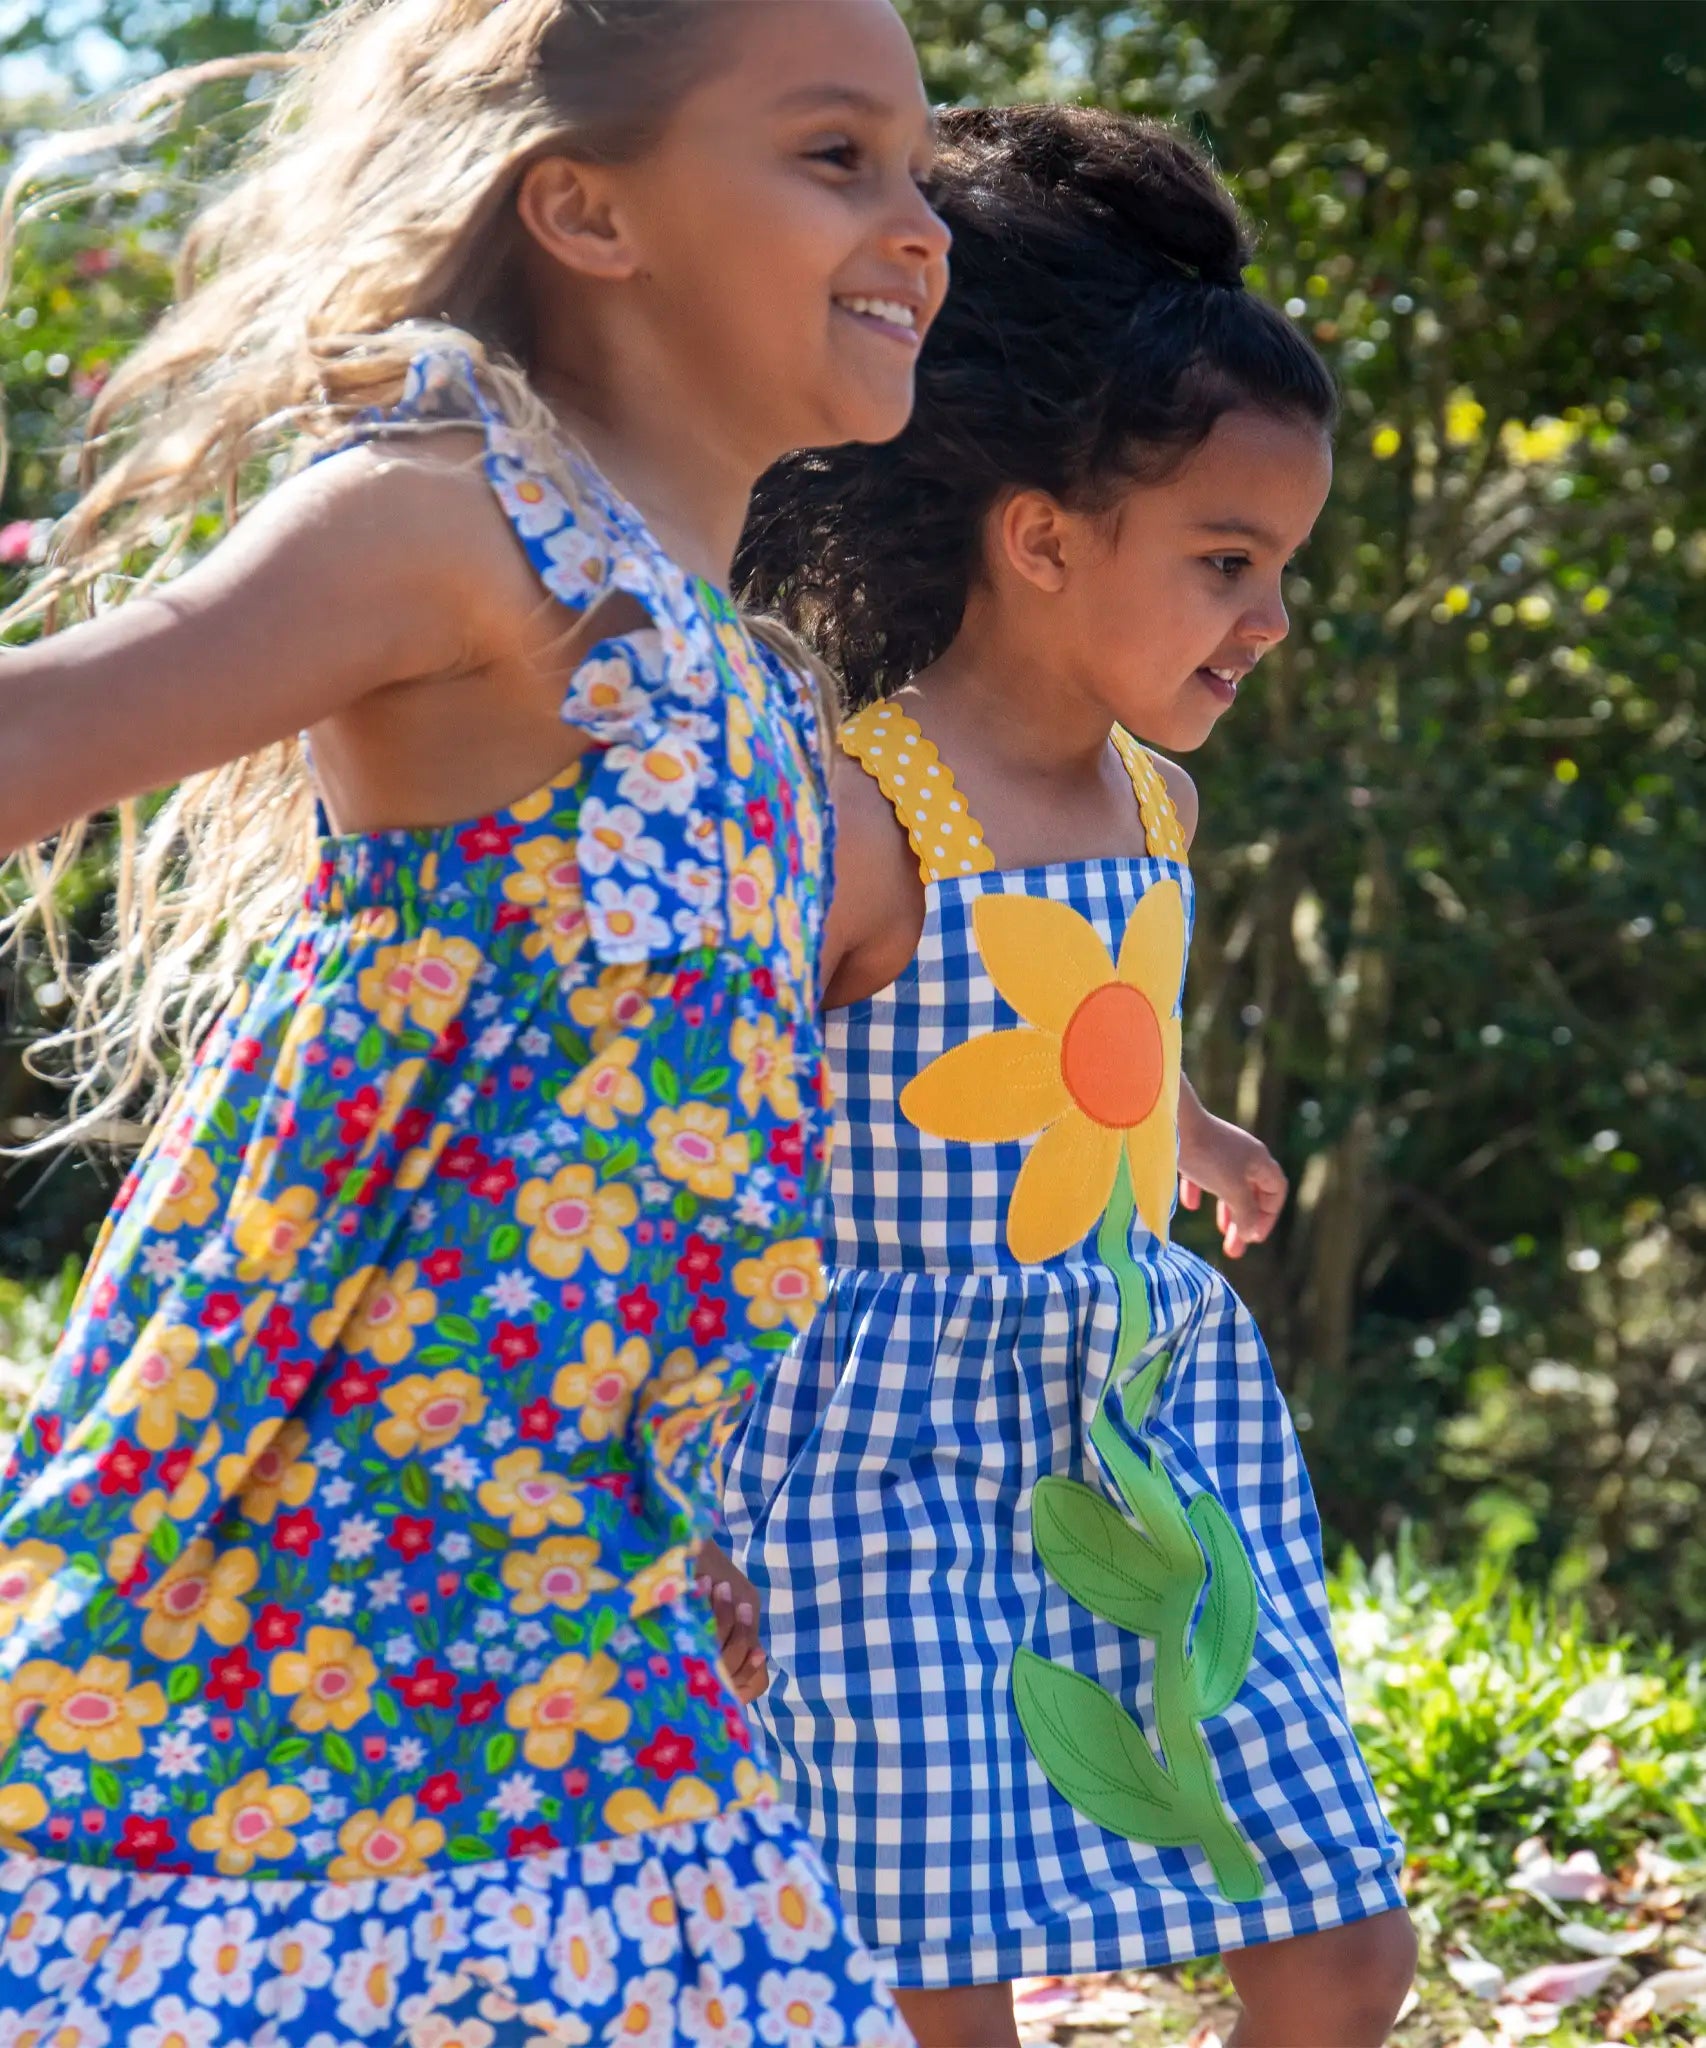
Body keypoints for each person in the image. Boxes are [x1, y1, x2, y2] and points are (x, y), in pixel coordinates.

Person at [0, 0, 948, 2038]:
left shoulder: (764, 705)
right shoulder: (454, 525)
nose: (918, 221)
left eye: (920, 169)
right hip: (302, 1594)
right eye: (836, 156)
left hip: (589, 1616)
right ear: (585, 209)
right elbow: (44, 730)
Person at [726, 105, 1416, 2048]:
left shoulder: (1150, 799)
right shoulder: (867, 817)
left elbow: (1061, 1033)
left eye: (1275, 562)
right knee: (935, 1987)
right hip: (881, 1460)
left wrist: (1176, 1122)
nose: (1266, 614)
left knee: (1338, 1942)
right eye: (1223, 558)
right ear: (1038, 538)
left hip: (1126, 1410)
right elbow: (722, 1128)